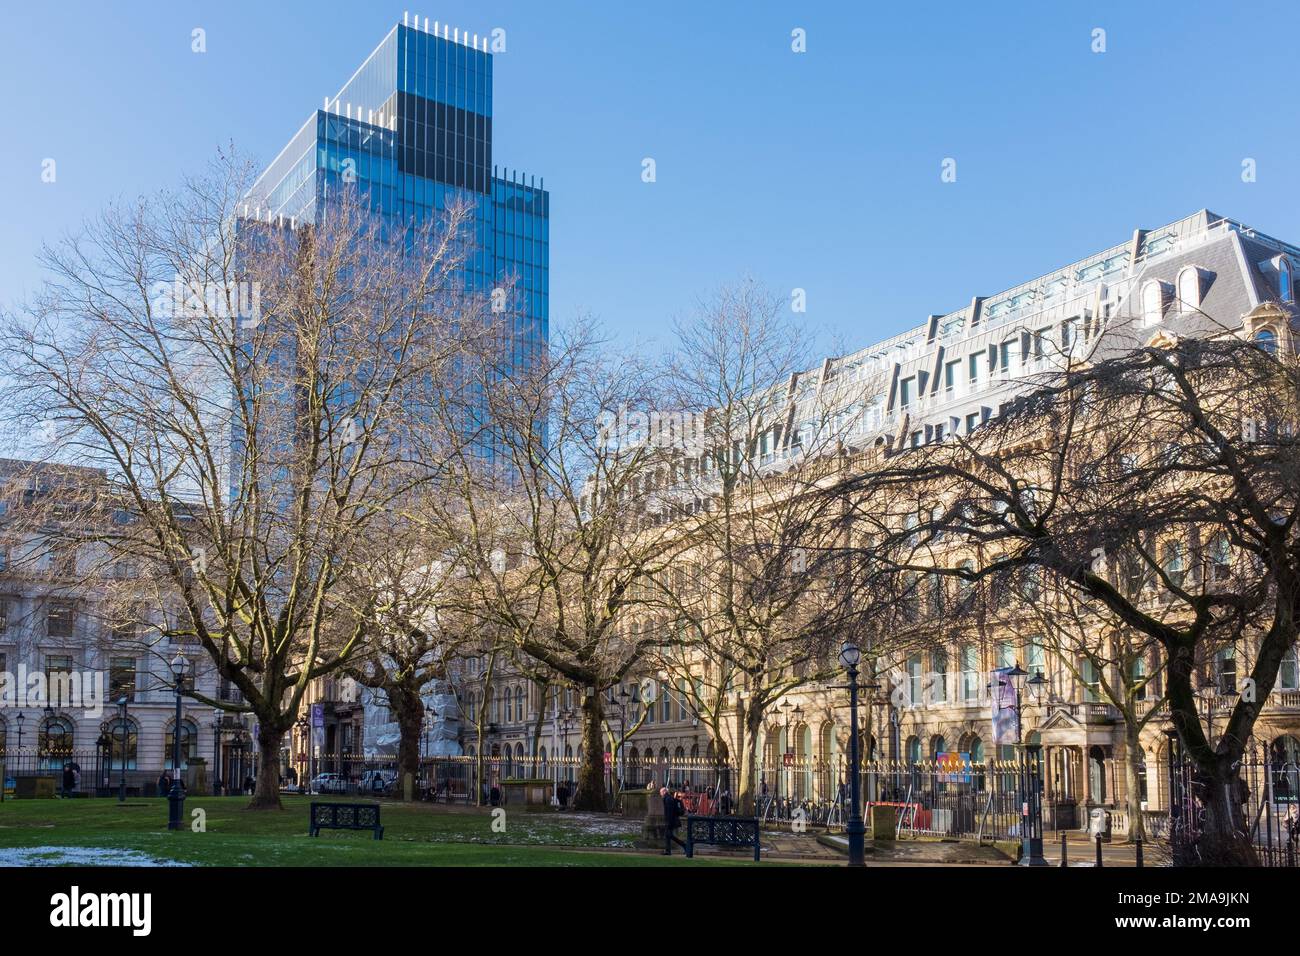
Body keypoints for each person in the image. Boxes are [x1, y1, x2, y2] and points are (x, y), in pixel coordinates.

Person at [662, 786, 686, 855]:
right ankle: (668, 850)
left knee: (668, 835)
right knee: (669, 835)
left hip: (671, 820)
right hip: (672, 820)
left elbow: (670, 812)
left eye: (661, 793)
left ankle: (683, 845)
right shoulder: (670, 799)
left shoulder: (669, 799)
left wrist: (668, 822)